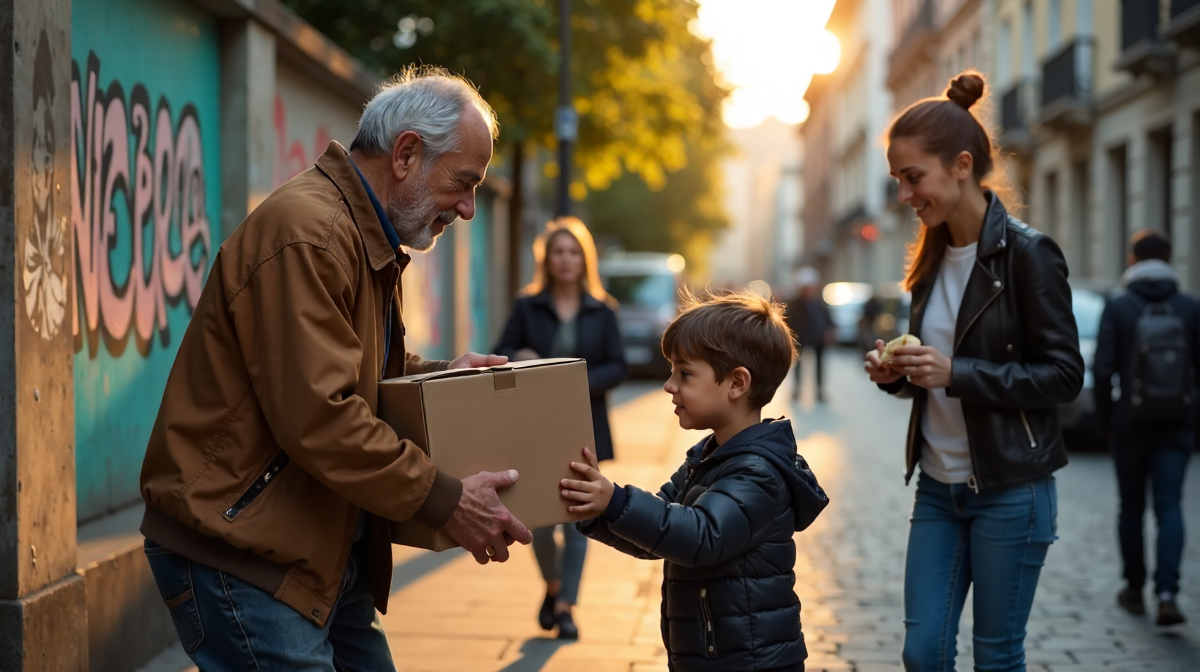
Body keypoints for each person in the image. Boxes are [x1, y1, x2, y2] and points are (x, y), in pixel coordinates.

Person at [138, 67, 535, 671]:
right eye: (464, 182)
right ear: (406, 154)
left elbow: (353, 376)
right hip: (244, 555)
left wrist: (440, 375)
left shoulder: (357, 231)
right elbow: (322, 416)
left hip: (313, 547)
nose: (468, 207)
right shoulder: (314, 235)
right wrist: (447, 500)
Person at [863, 70, 1083, 671]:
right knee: (923, 653)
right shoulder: (929, 257)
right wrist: (899, 375)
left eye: (914, 178)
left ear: (961, 165)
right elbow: (933, 375)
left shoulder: (1029, 254)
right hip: (938, 488)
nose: (905, 195)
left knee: (996, 656)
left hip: (1012, 490)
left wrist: (956, 371)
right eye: (898, 181)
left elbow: (1064, 375)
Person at [564, 290, 829, 672]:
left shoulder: (757, 473)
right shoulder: (708, 456)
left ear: (737, 383)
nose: (669, 386)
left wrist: (616, 501)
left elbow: (699, 537)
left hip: (750, 663)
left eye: (684, 374)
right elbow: (657, 539)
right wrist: (595, 507)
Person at [494, 216, 628, 639]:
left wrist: (569, 384)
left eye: (573, 252)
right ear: (547, 260)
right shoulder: (526, 305)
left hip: (583, 426)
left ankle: (566, 604)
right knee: (538, 522)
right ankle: (553, 586)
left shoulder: (602, 309)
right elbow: (500, 354)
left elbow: (618, 366)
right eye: (558, 252)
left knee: (577, 521)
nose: (565, 259)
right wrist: (521, 355)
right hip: (534, 428)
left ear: (583, 259)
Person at [1094, 229, 1199, 626]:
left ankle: (1134, 590)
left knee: (1131, 508)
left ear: (1133, 260)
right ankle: (1168, 592)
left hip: (1130, 423)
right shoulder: (1189, 306)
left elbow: (1103, 370)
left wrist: (1106, 421)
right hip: (1178, 423)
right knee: (1171, 506)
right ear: (1170, 260)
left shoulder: (1120, 306)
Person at [785, 267, 834, 402]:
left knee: (819, 365)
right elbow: (789, 320)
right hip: (801, 338)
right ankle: (797, 389)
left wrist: (829, 331)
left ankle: (819, 391)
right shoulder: (795, 303)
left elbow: (827, 318)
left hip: (818, 338)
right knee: (798, 365)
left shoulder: (819, 302)